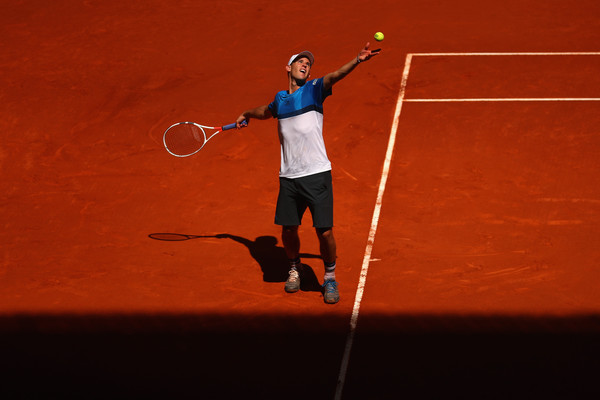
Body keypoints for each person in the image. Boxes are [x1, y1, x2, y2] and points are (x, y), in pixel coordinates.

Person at [235, 43, 380, 304]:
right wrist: (247, 114)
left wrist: (357, 60)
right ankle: (294, 267)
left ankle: (330, 277)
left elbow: (336, 75)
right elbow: (265, 112)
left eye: (308, 63)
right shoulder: (280, 100)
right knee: (289, 230)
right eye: (301, 62)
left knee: (324, 232)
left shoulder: (314, 90)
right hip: (289, 177)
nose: (305, 65)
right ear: (288, 68)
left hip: (316, 174)